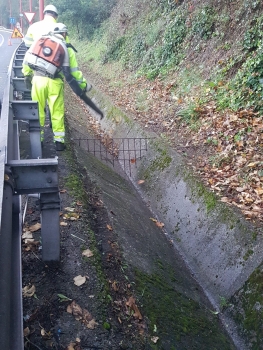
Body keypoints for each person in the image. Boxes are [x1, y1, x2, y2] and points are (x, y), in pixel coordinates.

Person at [22, 23, 103, 151]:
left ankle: (39, 140)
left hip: (38, 80)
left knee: (38, 111)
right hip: (55, 82)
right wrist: (84, 86)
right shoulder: (67, 48)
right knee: (57, 111)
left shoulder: (41, 41)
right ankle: (59, 142)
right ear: (64, 34)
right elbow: (74, 72)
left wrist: (27, 74)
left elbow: (27, 59)